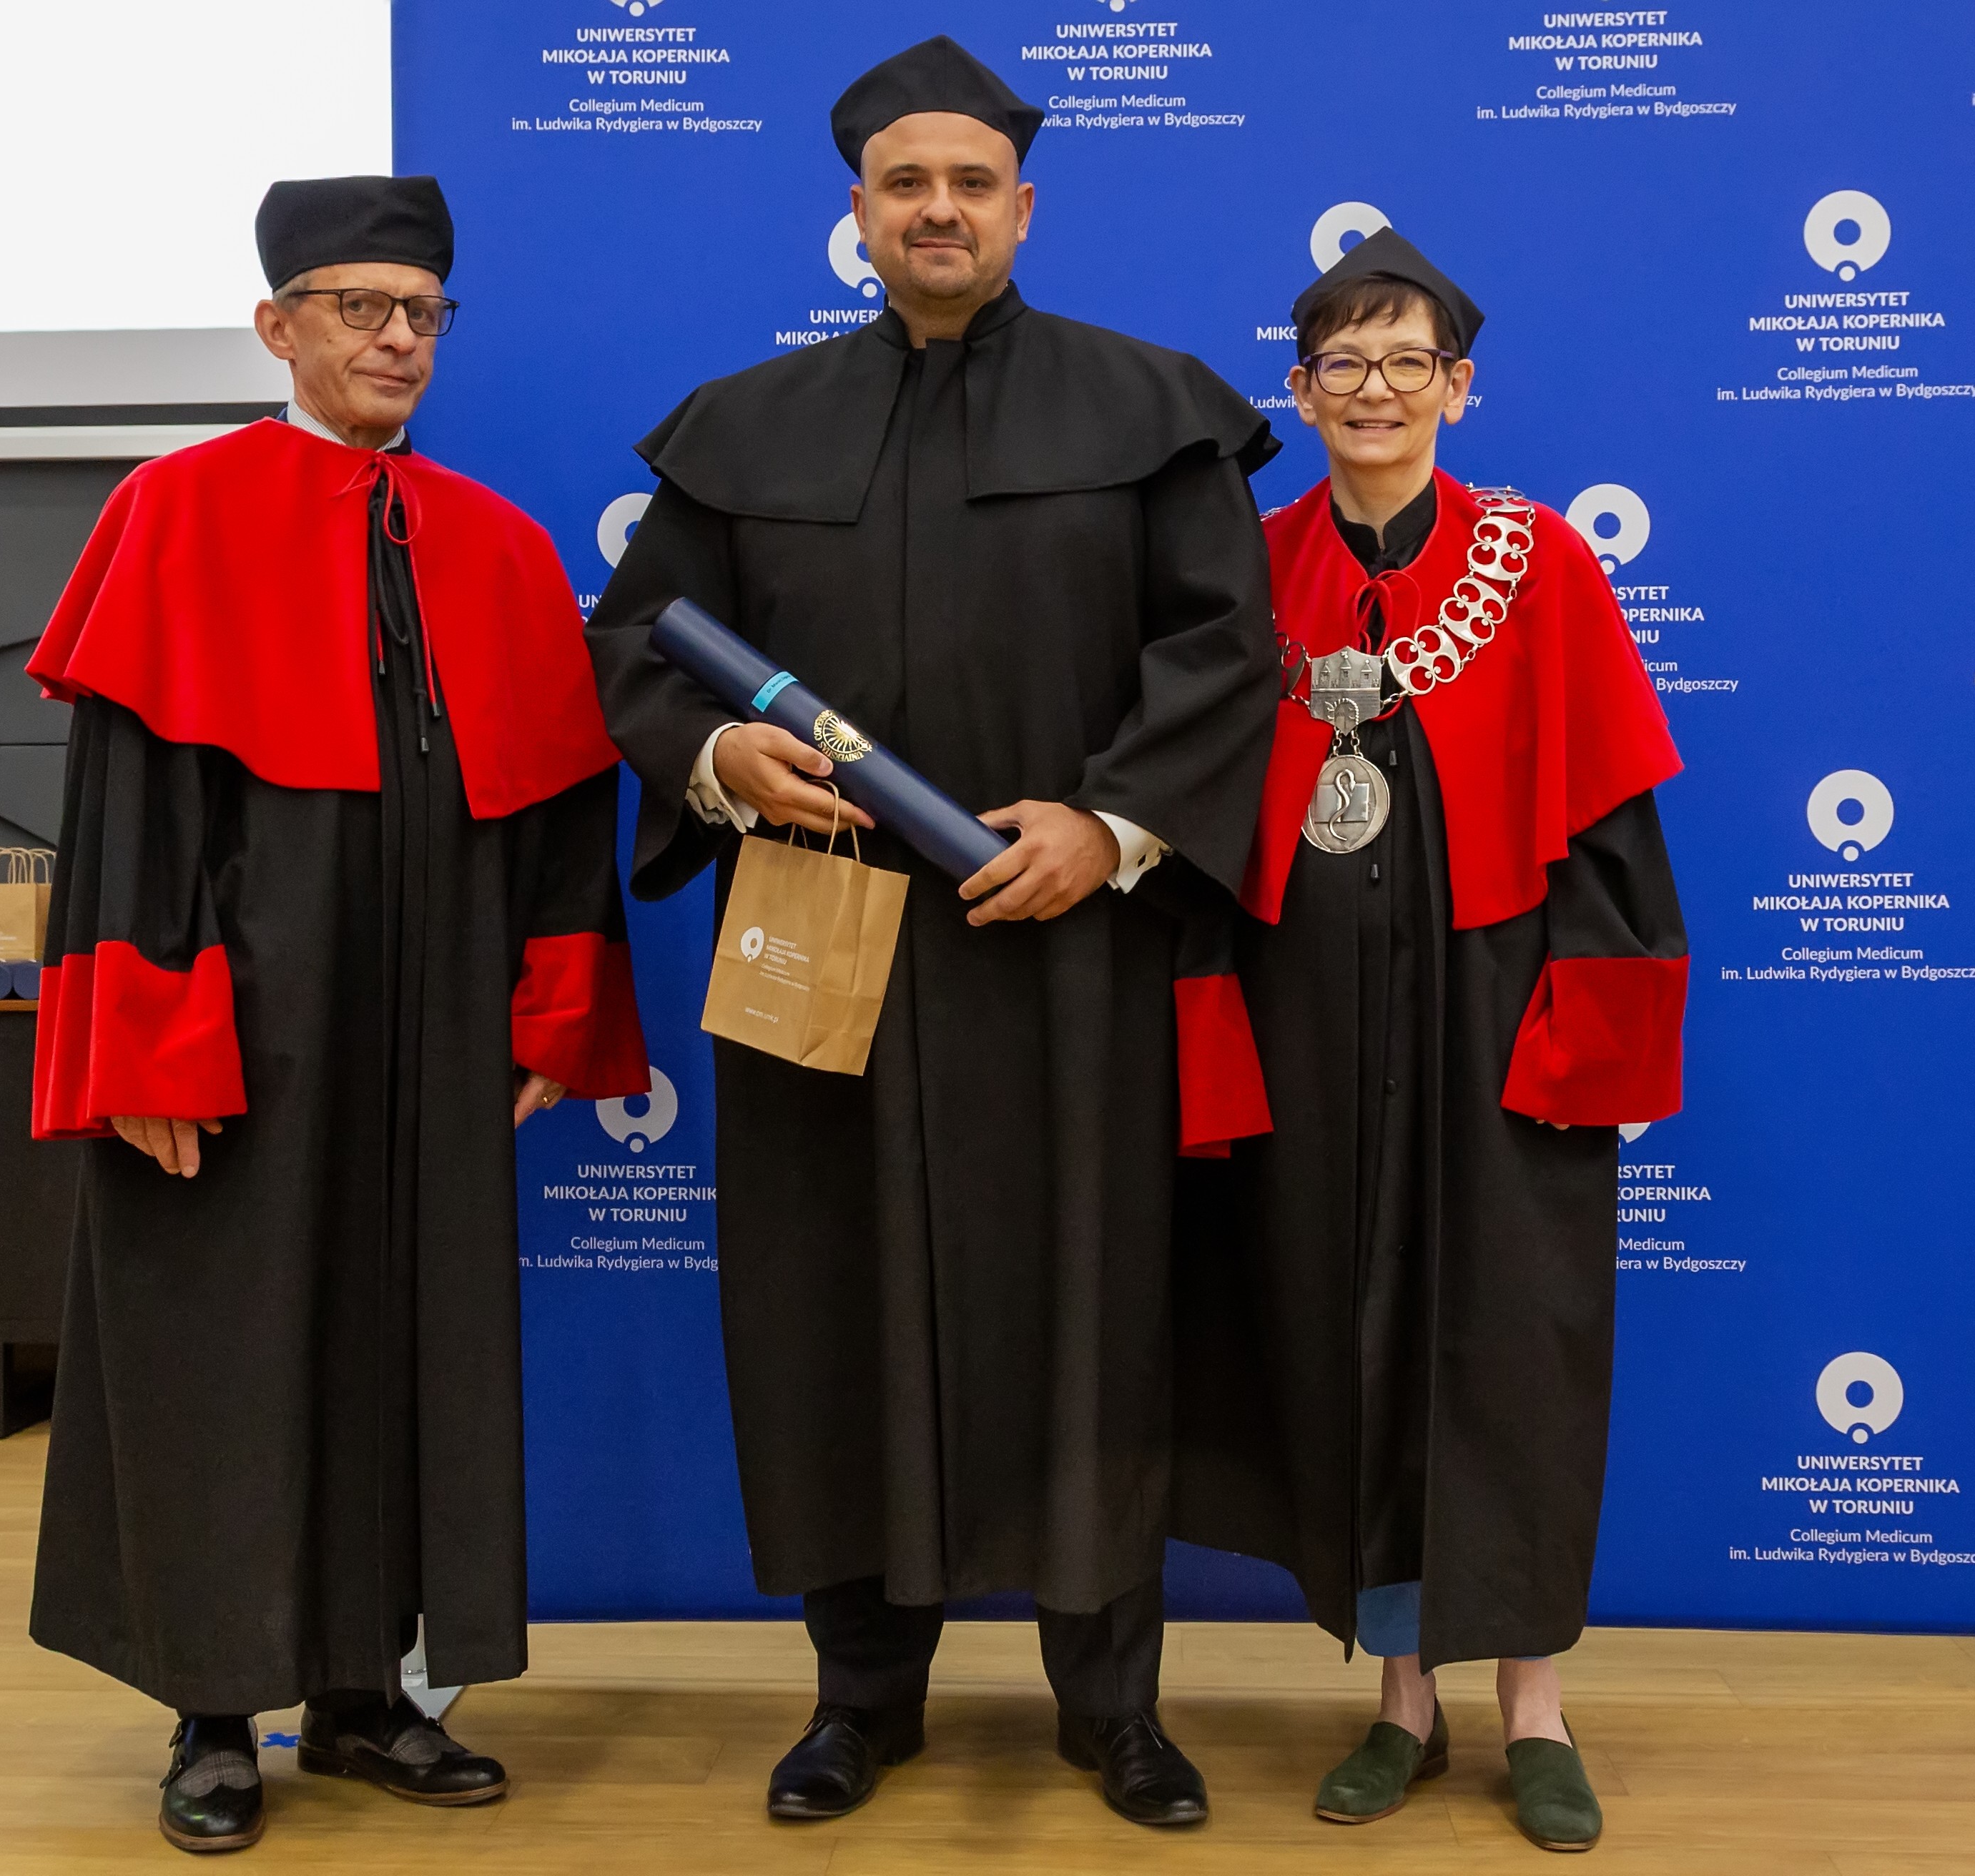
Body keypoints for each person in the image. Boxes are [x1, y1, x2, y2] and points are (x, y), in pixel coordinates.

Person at [586, 36, 1279, 1830]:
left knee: (1094, 1303)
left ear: (1024, 207)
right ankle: (859, 1697)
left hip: (1071, 946)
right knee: (828, 1303)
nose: (941, 209)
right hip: (823, 939)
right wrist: (720, 758)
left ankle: (1114, 1706)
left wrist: (1109, 825)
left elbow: (1227, 654)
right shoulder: (746, 427)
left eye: (972, 183)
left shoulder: (1152, 407)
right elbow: (638, 646)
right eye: (908, 184)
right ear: (860, 214)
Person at [22, 174, 649, 1856]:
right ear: (277, 326)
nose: (395, 338)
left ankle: (371, 1693)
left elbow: (558, 805)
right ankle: (215, 1710)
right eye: (359, 308)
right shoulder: (177, 511)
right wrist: (144, 1047)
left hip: (434, 1025)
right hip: (243, 1017)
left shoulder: (497, 542)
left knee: (408, 1341)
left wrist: (550, 1012)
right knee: (223, 1346)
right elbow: (131, 813)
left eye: (421, 313)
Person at [1170, 228, 1688, 1855]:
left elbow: (1610, 827)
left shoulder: (1537, 560)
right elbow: (1193, 821)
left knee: (1511, 1346)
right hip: (1308, 1015)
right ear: (1300, 388)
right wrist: (1208, 1034)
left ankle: (1535, 1707)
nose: (1376, 390)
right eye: (1344, 363)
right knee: (1350, 1334)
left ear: (1460, 387)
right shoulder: (1249, 569)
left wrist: (1595, 1043)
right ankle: (1402, 1697)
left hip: (1498, 1012)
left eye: (1408, 362)